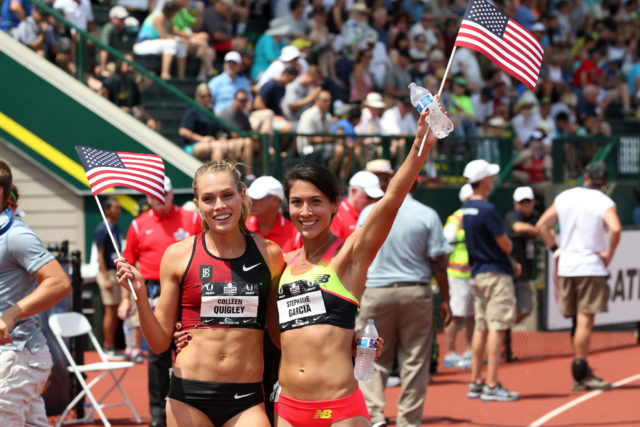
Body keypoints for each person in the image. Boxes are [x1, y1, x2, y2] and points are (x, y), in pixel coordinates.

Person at [274, 107, 438, 426]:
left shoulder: (349, 254)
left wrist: (421, 143)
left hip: (338, 410)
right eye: (297, 202)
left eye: (316, 201)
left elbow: (391, 201)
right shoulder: (282, 262)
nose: (305, 211)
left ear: (336, 204)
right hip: (289, 409)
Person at [116, 161, 284, 427]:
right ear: (197, 204)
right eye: (208, 199)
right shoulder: (177, 255)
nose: (219, 206)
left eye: (227, 195)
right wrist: (138, 295)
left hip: (247, 398)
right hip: (189, 395)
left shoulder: (270, 254)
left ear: (242, 195)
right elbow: (159, 343)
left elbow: (278, 333)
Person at [356, 177, 452, 427]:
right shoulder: (427, 214)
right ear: (416, 187)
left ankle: (374, 415)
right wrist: (447, 298)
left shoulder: (369, 211)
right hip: (415, 292)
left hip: (375, 292)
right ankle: (408, 421)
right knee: (415, 359)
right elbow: (438, 261)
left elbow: (358, 253)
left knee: (371, 353)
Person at [120, 176, 202, 427]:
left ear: (171, 193)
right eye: (153, 194)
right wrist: (125, 300)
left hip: (188, 293)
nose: (158, 198)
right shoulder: (137, 225)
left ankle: (196, 408)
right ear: (146, 197)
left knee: (191, 350)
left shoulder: (191, 219)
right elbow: (127, 263)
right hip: (153, 293)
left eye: (163, 193)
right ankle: (158, 414)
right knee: (157, 357)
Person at [536, 161, 621, 391]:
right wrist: (608, 254)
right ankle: (580, 370)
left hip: (567, 267)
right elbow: (615, 228)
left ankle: (582, 372)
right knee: (584, 320)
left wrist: (556, 251)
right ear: (603, 182)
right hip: (590, 266)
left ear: (585, 176)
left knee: (576, 320)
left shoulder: (565, 197)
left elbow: (542, 225)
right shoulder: (603, 201)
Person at [0, 160, 71, 425]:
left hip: (15, 357)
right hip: (16, 358)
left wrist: (11, 314)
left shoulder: (16, 234)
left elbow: (59, 283)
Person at [462, 159, 520, 402]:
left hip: (478, 273)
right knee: (496, 327)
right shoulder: (487, 209)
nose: (494, 181)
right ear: (484, 181)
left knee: (482, 326)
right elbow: (503, 243)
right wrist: (511, 253)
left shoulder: (466, 208)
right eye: (491, 177)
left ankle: (476, 381)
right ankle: (492, 383)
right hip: (496, 274)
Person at [442, 183, 474, 369]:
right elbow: (446, 242)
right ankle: (451, 352)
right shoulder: (456, 218)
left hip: (473, 272)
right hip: (458, 274)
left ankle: (470, 350)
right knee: (455, 314)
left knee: (471, 314)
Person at [93, 197, 126, 359]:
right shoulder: (102, 229)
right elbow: (99, 255)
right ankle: (107, 345)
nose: (118, 211)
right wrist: (105, 277)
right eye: (115, 208)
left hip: (116, 272)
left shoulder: (117, 228)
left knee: (115, 310)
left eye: (119, 208)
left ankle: (112, 345)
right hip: (107, 273)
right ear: (107, 210)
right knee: (110, 310)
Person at [504, 186, 538, 325]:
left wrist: (537, 230)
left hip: (524, 272)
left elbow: (550, 229)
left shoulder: (535, 217)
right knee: (507, 310)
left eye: (528, 201)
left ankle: (502, 331)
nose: (525, 205)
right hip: (509, 271)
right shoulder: (511, 216)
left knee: (526, 308)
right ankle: (501, 335)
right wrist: (539, 231)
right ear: (515, 204)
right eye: (522, 202)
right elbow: (517, 227)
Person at [246, 176, 301, 253]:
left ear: (275, 200)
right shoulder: (242, 228)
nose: (252, 202)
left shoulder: (296, 234)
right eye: (251, 198)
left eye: (258, 198)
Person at [133, 1, 187, 79]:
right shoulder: (159, 16)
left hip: (154, 43)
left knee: (182, 46)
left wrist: (190, 37)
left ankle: (181, 76)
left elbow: (174, 32)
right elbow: (163, 36)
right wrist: (179, 39)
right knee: (170, 44)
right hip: (142, 44)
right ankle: (165, 74)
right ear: (171, 11)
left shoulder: (169, 19)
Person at [330, 170, 384, 240]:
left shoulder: (372, 214)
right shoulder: (337, 217)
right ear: (353, 191)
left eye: (377, 198)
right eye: (369, 197)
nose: (373, 202)